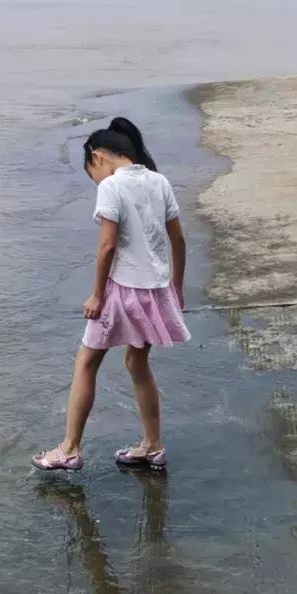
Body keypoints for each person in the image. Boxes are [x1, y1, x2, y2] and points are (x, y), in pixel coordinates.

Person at [33, 117, 188, 473]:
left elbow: (106, 247)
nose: (94, 180)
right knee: (137, 363)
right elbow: (178, 239)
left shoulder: (112, 187)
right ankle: (152, 445)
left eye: (90, 171)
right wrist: (176, 287)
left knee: (87, 362)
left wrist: (97, 296)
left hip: (122, 289)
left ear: (97, 155)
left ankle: (69, 449)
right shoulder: (159, 181)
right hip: (156, 290)